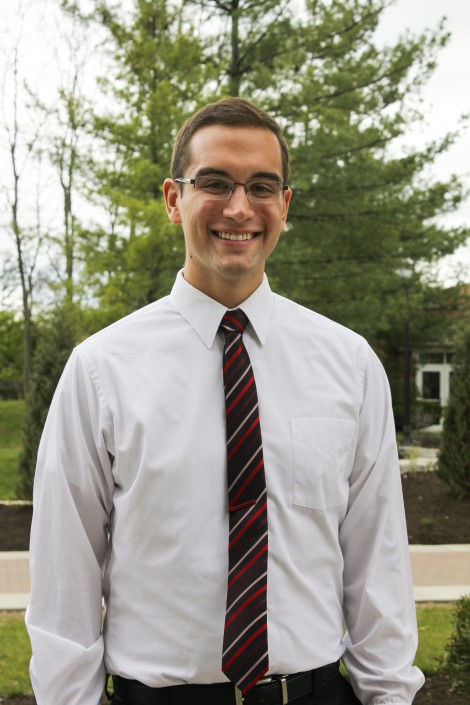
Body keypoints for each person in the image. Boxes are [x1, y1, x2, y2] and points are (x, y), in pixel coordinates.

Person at [26, 97, 424, 705]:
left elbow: (379, 564)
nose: (239, 208)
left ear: (284, 205)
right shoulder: (101, 370)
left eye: (261, 186)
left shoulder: (351, 366)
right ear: (173, 199)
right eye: (214, 183)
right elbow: (64, 573)